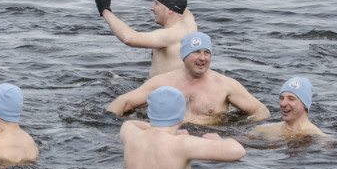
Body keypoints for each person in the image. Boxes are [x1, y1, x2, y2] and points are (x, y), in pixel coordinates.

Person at [107, 31, 271, 125]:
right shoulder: (163, 82)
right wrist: (110, 122)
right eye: (196, 52)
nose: (202, 58)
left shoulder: (225, 85)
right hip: (170, 139)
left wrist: (244, 131)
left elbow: (261, 111)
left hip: (207, 140)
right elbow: (123, 101)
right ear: (184, 56)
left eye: (206, 52)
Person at [119, 86, 245, 169]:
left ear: (150, 112)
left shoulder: (131, 135)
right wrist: (217, 140)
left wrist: (165, 130)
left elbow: (130, 122)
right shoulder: (181, 143)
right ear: (182, 115)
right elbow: (237, 151)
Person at [94, 0, 197, 78]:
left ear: (169, 9)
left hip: (163, 93)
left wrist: (105, 10)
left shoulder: (168, 35)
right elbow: (180, 5)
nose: (151, 8)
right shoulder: (190, 24)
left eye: (156, 4)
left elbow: (129, 38)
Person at [251, 77, 325, 139]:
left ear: (305, 104)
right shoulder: (263, 130)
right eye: (281, 98)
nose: (283, 104)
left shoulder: (317, 137)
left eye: (291, 99)